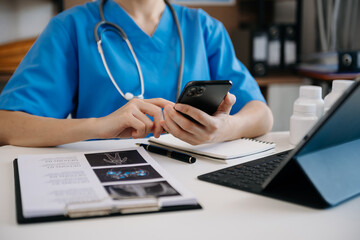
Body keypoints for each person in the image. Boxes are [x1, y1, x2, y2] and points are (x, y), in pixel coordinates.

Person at [0, 0, 273, 147]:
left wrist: (224, 130)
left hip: (196, 176)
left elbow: (262, 115)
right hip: (106, 176)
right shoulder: (70, 27)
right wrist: (99, 126)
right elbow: (7, 125)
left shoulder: (203, 28)